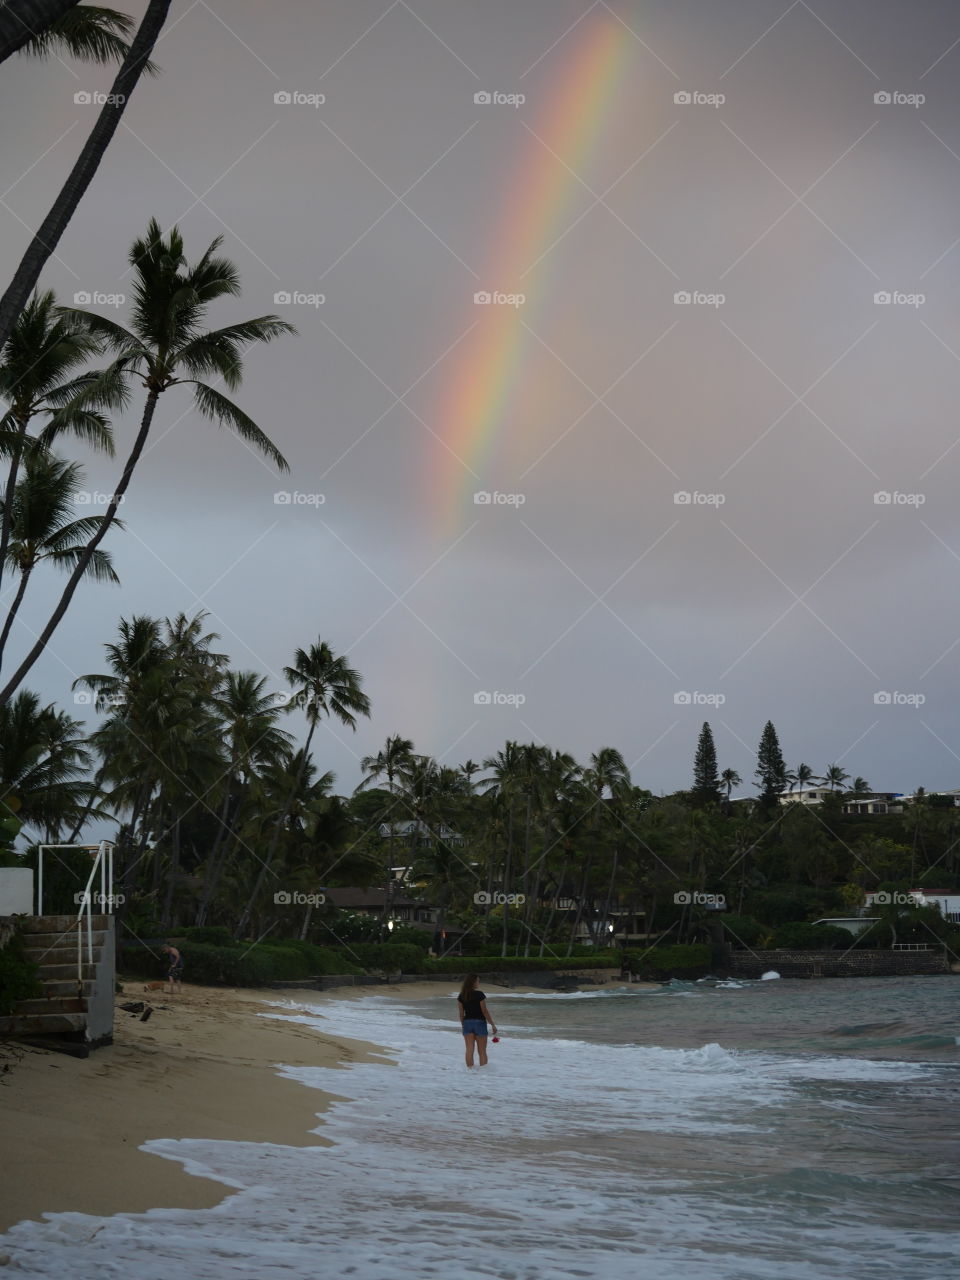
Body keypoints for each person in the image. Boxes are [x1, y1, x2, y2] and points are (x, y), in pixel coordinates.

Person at [457, 973, 497, 1068]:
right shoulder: (479, 994)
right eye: (478, 981)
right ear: (473, 982)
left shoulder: (461, 996)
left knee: (469, 1049)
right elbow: (484, 1011)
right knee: (482, 1051)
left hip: (467, 1023)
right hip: (479, 1023)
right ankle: (483, 1075)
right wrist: (492, 1024)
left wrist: (463, 1025)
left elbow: (461, 1014)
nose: (479, 983)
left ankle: (470, 1073)